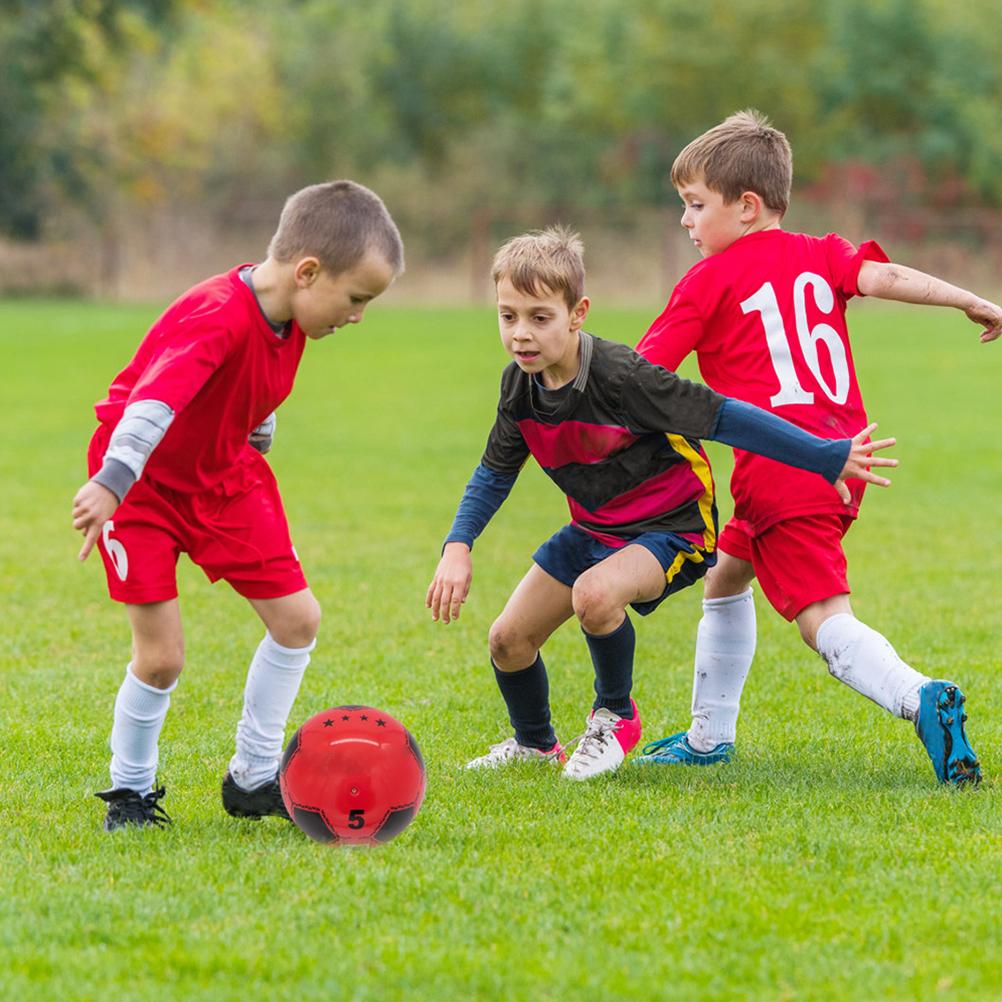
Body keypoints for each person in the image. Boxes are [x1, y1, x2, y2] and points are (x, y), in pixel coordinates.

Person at [426, 226, 896, 781]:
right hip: (596, 528)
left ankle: (614, 718)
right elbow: (494, 471)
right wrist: (458, 545)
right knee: (508, 640)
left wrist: (823, 455)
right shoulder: (519, 388)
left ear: (578, 313)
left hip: (673, 527)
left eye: (539, 317)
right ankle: (535, 744)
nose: (521, 335)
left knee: (594, 595)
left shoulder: (622, 378)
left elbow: (726, 417)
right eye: (508, 317)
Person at [635, 110, 1001, 785]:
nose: (685, 221)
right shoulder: (820, 252)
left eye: (694, 205)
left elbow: (641, 375)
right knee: (726, 575)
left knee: (822, 621)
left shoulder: (706, 282)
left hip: (783, 467)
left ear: (746, 207)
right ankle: (709, 737)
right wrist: (970, 300)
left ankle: (920, 697)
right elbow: (887, 279)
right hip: (843, 454)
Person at [72, 180, 404, 830]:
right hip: (141, 485)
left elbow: (250, 384)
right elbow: (153, 404)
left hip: (224, 477)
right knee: (162, 656)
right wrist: (112, 482)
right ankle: (130, 794)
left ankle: (253, 779)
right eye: (357, 298)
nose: (358, 314)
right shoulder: (217, 313)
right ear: (308, 272)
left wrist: (258, 427)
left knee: (297, 620)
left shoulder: (291, 315)